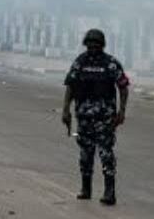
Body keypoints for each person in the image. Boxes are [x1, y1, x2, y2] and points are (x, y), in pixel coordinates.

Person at [62, 29, 130, 206]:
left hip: (104, 119)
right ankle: (86, 188)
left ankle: (109, 191)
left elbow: (123, 87)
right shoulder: (80, 62)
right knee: (85, 154)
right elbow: (70, 85)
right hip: (83, 117)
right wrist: (65, 110)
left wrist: (122, 111)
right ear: (86, 44)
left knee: (106, 153)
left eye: (96, 44)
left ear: (102, 45)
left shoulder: (111, 63)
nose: (92, 47)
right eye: (90, 44)